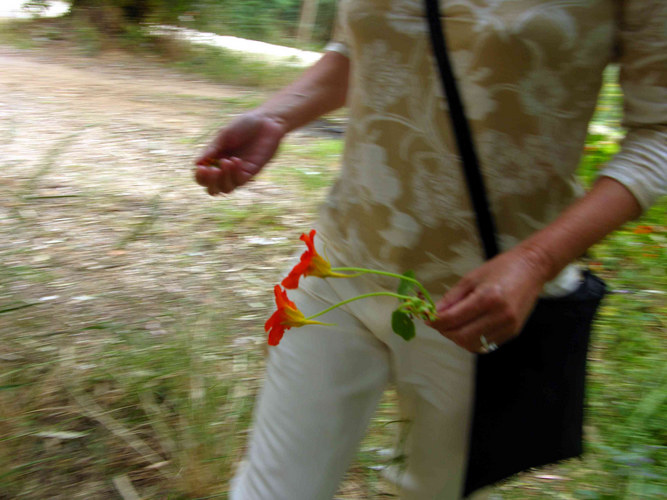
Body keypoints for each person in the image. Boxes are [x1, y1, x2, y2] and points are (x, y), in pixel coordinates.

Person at [194, 1, 666, 498]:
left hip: (475, 308)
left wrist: (535, 261)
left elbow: (657, 135)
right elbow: (358, 47)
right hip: (337, 266)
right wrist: (275, 116)